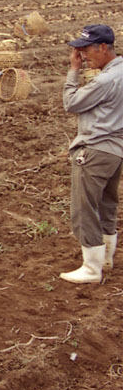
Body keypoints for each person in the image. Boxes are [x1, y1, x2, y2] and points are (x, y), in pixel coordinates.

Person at [60, 24, 122, 283]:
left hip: (95, 150)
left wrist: (73, 72)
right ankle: (105, 258)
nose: (83, 57)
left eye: (86, 51)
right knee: (107, 204)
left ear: (103, 47)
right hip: (116, 151)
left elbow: (71, 103)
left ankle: (91, 269)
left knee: (84, 209)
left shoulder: (107, 79)